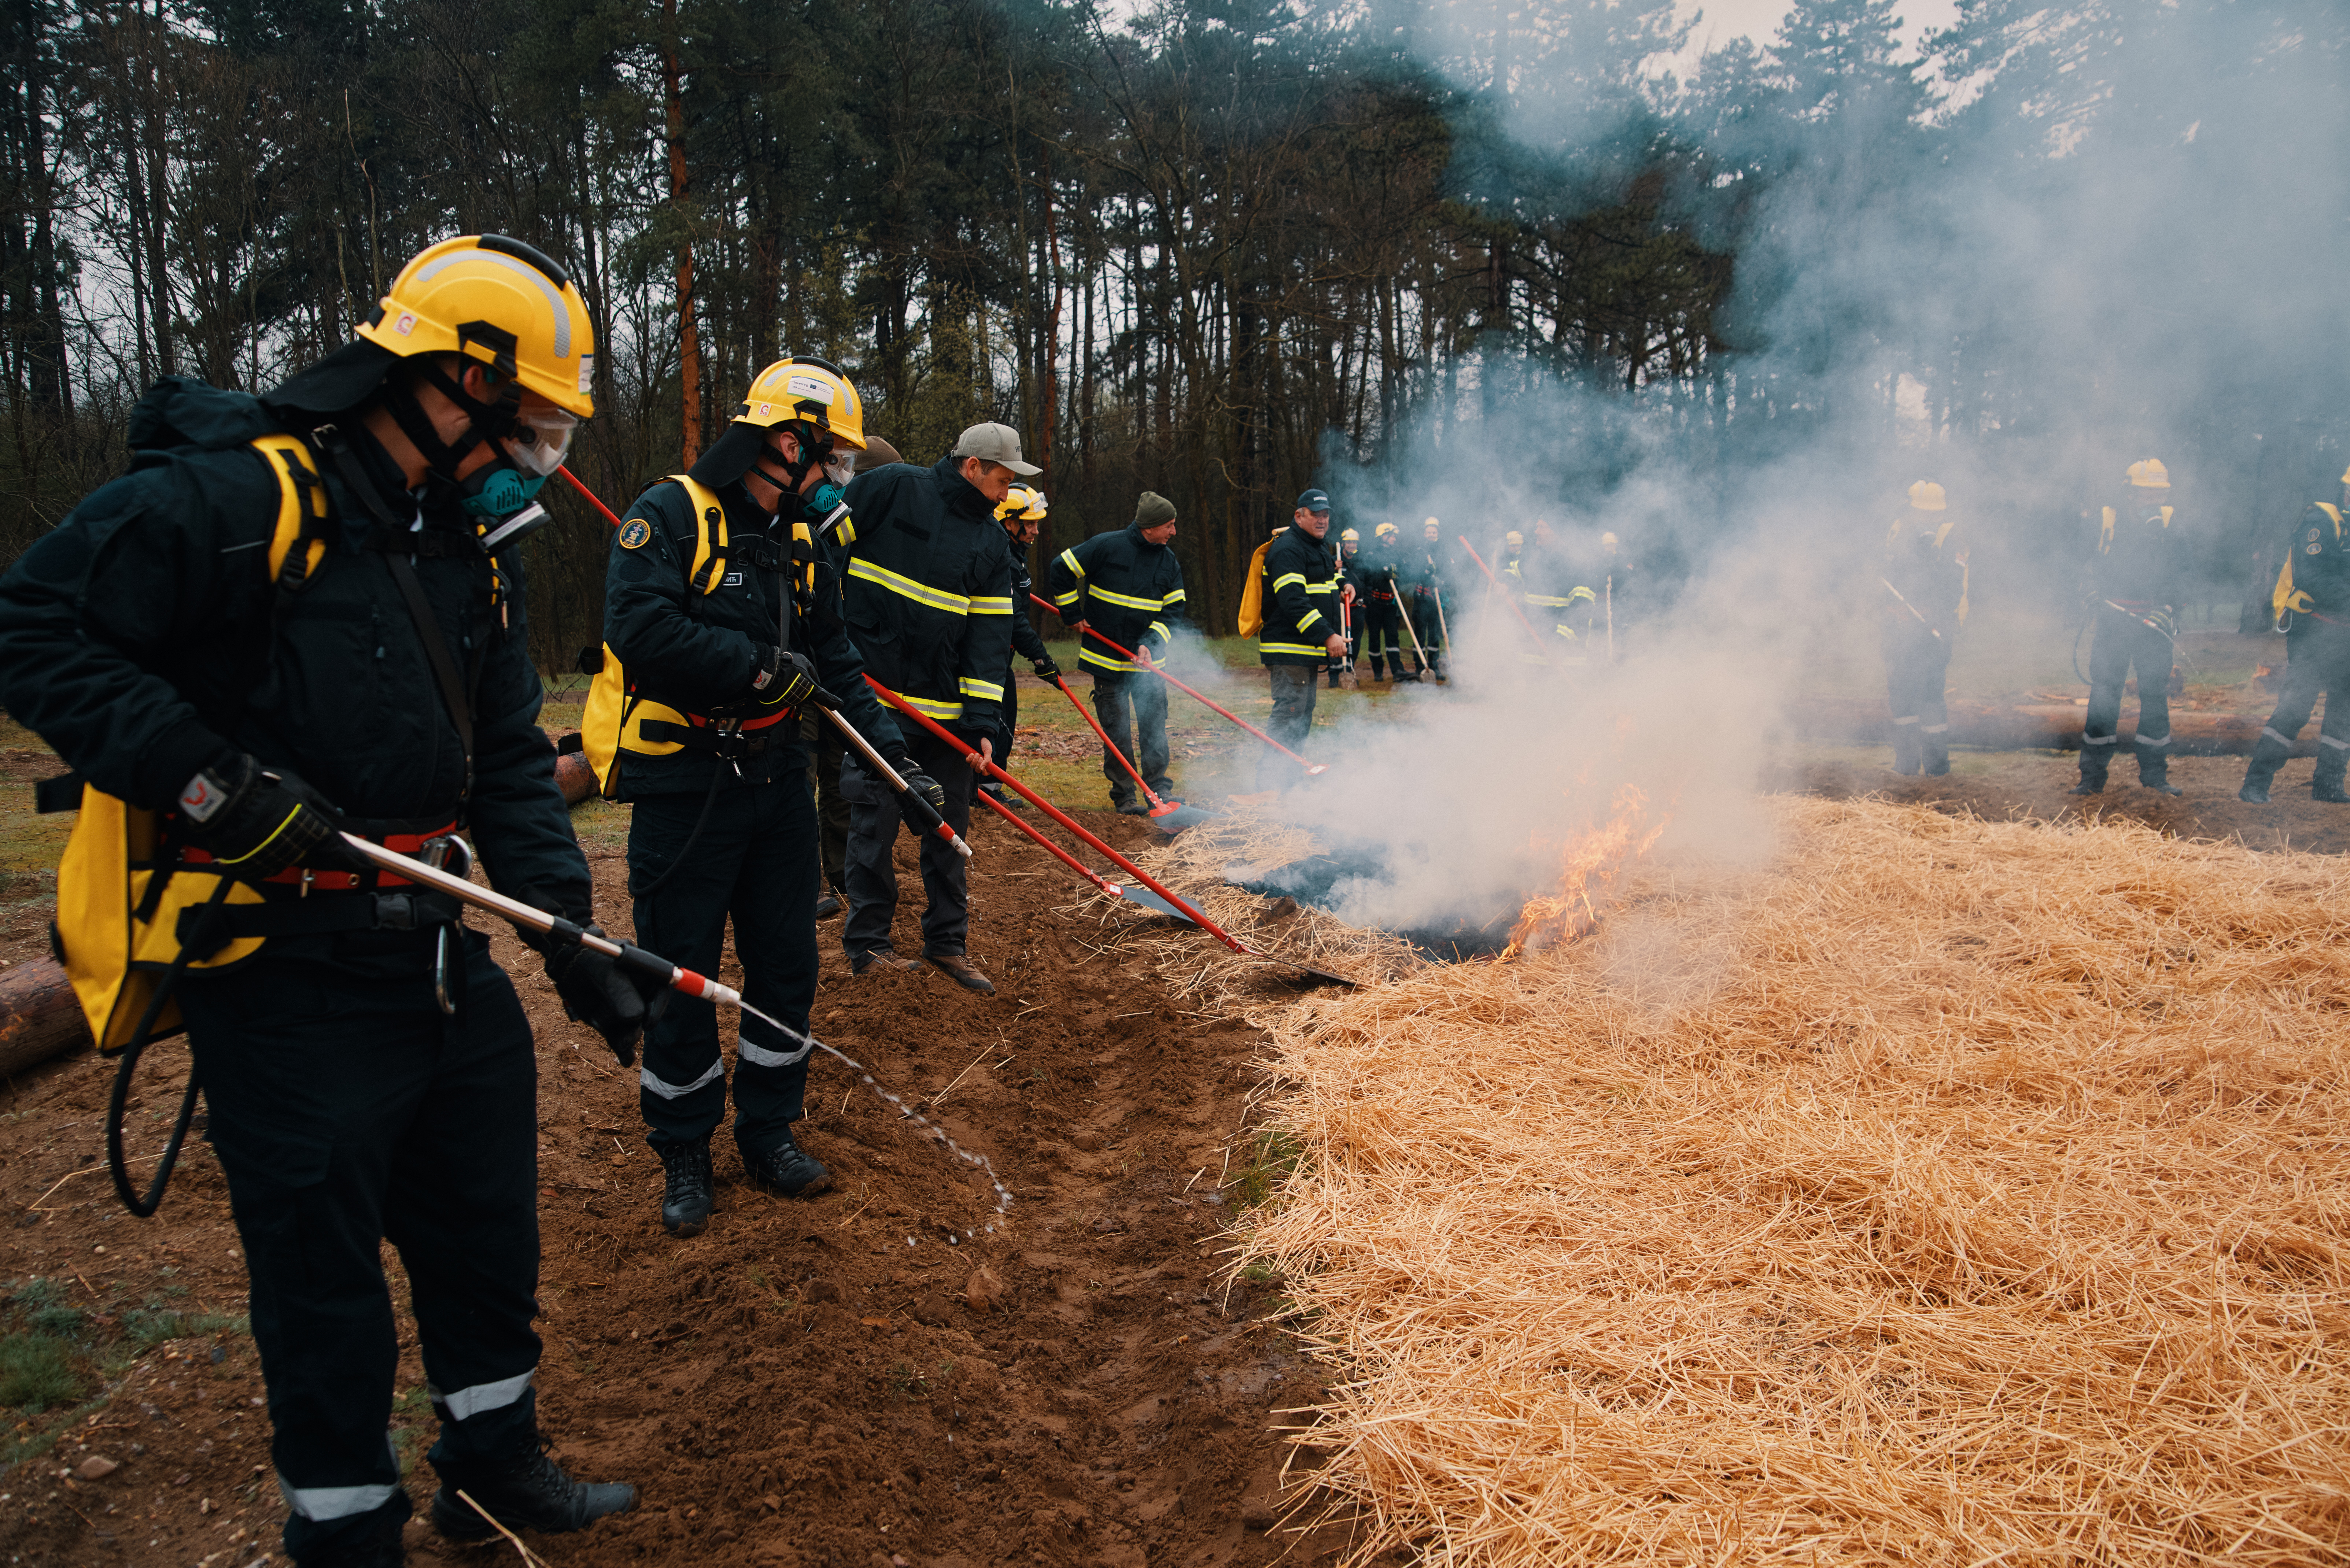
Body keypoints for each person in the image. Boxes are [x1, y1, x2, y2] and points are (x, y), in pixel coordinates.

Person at [0, 234, 643, 1566]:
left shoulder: (463, 546)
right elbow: (32, 628)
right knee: (324, 1284)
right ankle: (346, 1533)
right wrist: (202, 782)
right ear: (442, 383)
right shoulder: (229, 502)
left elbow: (511, 757)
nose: (531, 457)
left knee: (485, 1232)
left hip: (437, 959)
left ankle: (492, 1466)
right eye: (523, 425)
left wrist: (565, 926)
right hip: (280, 974)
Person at [600, 355, 934, 1232]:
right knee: (684, 974)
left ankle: (769, 1130)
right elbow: (637, 628)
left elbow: (839, 664)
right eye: (834, 460)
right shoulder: (669, 514)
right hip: (684, 788)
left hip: (777, 783)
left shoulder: (803, 543)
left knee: (787, 964)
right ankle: (683, 1148)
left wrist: (904, 765)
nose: (839, 481)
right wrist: (752, 666)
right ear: (787, 441)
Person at [835, 421, 1023, 992]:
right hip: (874, 706)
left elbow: (991, 640)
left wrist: (983, 725)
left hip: (944, 718)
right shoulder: (890, 487)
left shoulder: (991, 542)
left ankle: (947, 943)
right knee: (874, 826)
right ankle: (869, 945)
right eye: (1001, 479)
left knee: (948, 831)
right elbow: (818, 555)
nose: (1005, 493)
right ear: (972, 466)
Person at [800, 433, 906, 915]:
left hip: (844, 678)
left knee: (841, 778)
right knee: (797, 780)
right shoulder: (807, 525)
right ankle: (801, 886)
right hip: (799, 677)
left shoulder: (878, 540)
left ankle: (842, 875)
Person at [1044, 491, 1187, 812]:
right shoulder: (1105, 546)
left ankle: (1159, 792)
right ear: (1150, 527)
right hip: (1106, 661)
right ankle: (1125, 797)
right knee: (1117, 734)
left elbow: (1174, 611)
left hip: (1148, 666)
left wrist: (1150, 643)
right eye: (1169, 525)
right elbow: (1060, 568)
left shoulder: (1169, 562)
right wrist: (1071, 613)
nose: (1173, 532)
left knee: (1154, 729)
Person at [2074, 459, 2185, 796]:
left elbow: (2186, 573)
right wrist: (2088, 589)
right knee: (2104, 696)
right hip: (2113, 623)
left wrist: (2169, 608)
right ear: (2130, 495)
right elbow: (2080, 562)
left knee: (2155, 697)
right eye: (2146, 495)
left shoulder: (2171, 524)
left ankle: (2155, 776)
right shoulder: (2106, 520)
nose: (2153, 502)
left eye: (2159, 495)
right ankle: (2091, 778)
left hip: (2154, 625)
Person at [2241, 462, 2350, 803]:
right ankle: (2255, 785)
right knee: (2296, 707)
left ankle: (2329, 785)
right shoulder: (2320, 521)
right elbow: (2315, 578)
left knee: (2344, 711)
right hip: (2315, 632)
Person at [1256, 490, 1348, 787]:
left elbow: (1326, 581)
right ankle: (1270, 784)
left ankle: (1287, 780)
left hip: (1305, 649)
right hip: (1288, 648)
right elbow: (1293, 601)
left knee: (1301, 716)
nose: (1322, 520)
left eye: (1325, 515)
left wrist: (1345, 585)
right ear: (1299, 516)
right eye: (1315, 514)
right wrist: (1328, 635)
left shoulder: (1317, 547)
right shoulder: (1288, 549)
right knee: (1289, 714)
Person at [1880, 480, 1968, 776]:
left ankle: (1937, 769)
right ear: (1911, 510)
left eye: (1933, 515)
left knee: (1930, 696)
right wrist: (1892, 609)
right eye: (1922, 513)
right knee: (1900, 693)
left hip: (1934, 630)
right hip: (1899, 628)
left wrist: (1931, 612)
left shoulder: (1951, 537)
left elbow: (1951, 586)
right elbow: (1889, 575)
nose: (1928, 519)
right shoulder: (1897, 531)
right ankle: (1905, 765)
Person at [988, 480, 1062, 804]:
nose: (1034, 531)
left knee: (1004, 715)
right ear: (1008, 522)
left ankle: (984, 786)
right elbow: (1013, 617)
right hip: (990, 653)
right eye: (1029, 523)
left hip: (1000, 652)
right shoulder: (1002, 556)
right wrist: (1041, 658)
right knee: (999, 719)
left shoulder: (1013, 553)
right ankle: (985, 789)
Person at [1521, 517, 1597, 667]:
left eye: (1543, 527)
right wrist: (1505, 590)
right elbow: (1528, 603)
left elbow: (1582, 612)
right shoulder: (1534, 562)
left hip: (1564, 662)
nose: (1537, 532)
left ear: (1559, 532)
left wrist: (1560, 644)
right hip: (1532, 661)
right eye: (1537, 527)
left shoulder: (1576, 564)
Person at [1359, 521, 1412, 679]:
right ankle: (1378, 671)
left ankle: (1397, 671)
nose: (1394, 538)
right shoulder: (1372, 556)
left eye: (1395, 535)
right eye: (1391, 535)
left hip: (1391, 604)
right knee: (1374, 638)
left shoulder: (1397, 556)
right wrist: (1380, 575)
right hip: (1375, 603)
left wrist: (1396, 575)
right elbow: (1367, 577)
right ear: (1382, 536)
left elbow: (1404, 574)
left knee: (1393, 637)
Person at [1409, 516, 1449, 677]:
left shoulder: (1443, 551)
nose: (1431, 535)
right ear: (1424, 534)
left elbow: (1448, 572)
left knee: (1434, 634)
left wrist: (1441, 580)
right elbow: (1413, 572)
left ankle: (1434, 665)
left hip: (1436, 600)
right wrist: (1426, 573)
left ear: (1438, 533)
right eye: (1429, 532)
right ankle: (1420, 667)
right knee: (1420, 634)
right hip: (1421, 599)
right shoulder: (1419, 551)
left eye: (1434, 532)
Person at [1331, 527, 1365, 687]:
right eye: (1349, 542)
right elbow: (1326, 580)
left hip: (1357, 608)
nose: (1352, 545)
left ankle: (1350, 670)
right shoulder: (1334, 561)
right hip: (1339, 608)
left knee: (1354, 641)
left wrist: (1363, 603)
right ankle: (1334, 674)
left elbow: (1367, 585)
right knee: (1338, 639)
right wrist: (1333, 567)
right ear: (1344, 544)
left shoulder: (1361, 563)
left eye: (1354, 542)